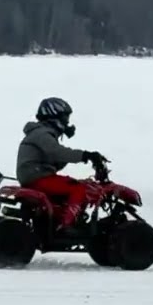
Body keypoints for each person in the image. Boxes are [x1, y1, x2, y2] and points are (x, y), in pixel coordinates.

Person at [16, 96, 109, 229]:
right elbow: (58, 152)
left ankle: (58, 218)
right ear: (54, 116)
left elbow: (56, 160)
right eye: (65, 118)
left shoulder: (40, 133)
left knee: (70, 186)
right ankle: (67, 226)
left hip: (35, 175)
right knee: (78, 188)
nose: (67, 122)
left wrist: (73, 156)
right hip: (38, 177)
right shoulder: (42, 133)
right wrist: (86, 155)